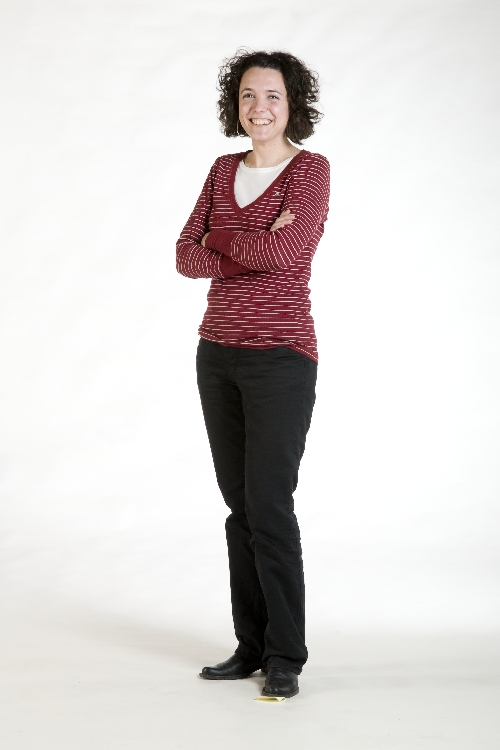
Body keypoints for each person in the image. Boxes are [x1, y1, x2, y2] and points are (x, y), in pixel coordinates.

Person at [176, 49, 330, 699]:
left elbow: (288, 251)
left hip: (280, 359)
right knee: (239, 508)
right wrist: (250, 241)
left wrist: (221, 237)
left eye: (272, 96)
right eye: (247, 95)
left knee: (269, 506)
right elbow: (184, 255)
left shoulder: (310, 171)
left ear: (292, 104)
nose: (258, 107)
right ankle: (250, 646)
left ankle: (285, 654)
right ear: (234, 104)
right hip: (217, 355)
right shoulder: (222, 170)